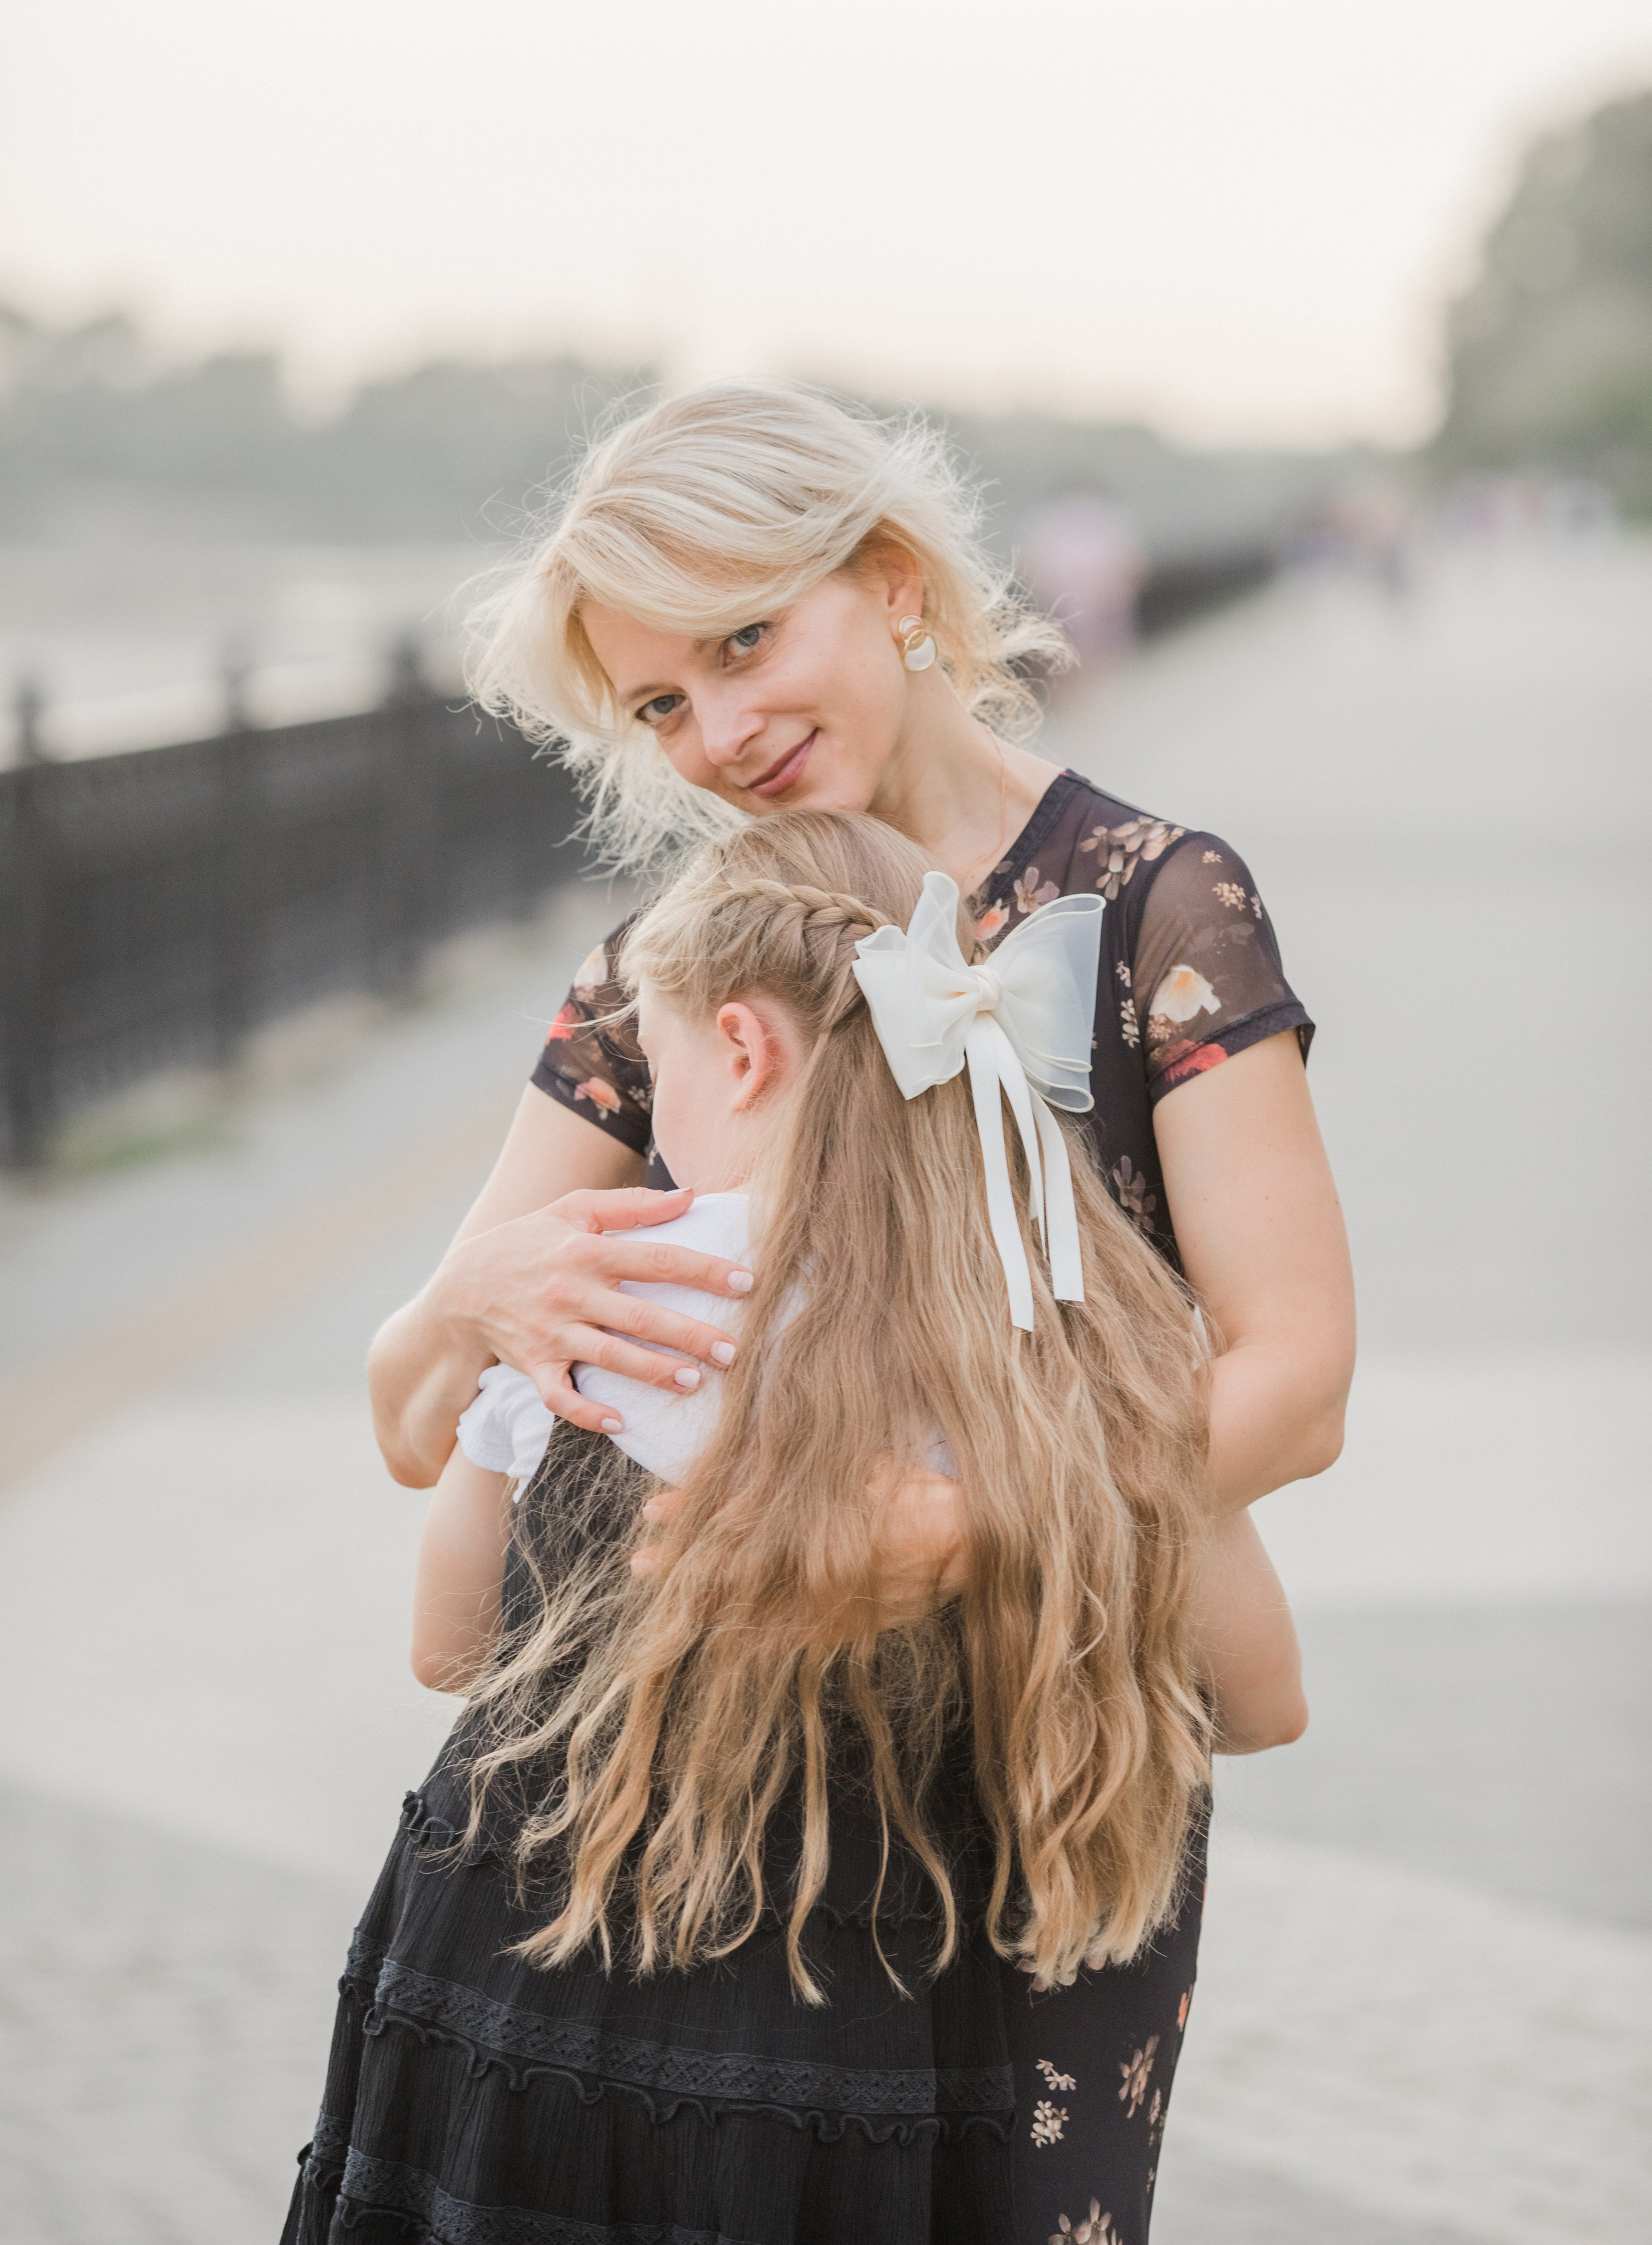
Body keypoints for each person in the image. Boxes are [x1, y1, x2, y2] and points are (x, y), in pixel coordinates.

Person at [363, 382, 1356, 2239]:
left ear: (892, 581)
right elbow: (417, 1418)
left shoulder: (1150, 909)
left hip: (1045, 1783)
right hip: (711, 1844)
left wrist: (958, 1528)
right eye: (661, 704)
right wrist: (472, 1297)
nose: (718, 732)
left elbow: (1295, 1389)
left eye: (745, 641)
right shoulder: (674, 973)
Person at [288, 809, 1308, 2245]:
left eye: (657, 1072)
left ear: (742, 1048)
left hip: (517, 1990)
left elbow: (447, 1644)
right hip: (863, 2043)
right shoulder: (1075, 1336)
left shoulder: (596, 1295)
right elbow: (1261, 1700)